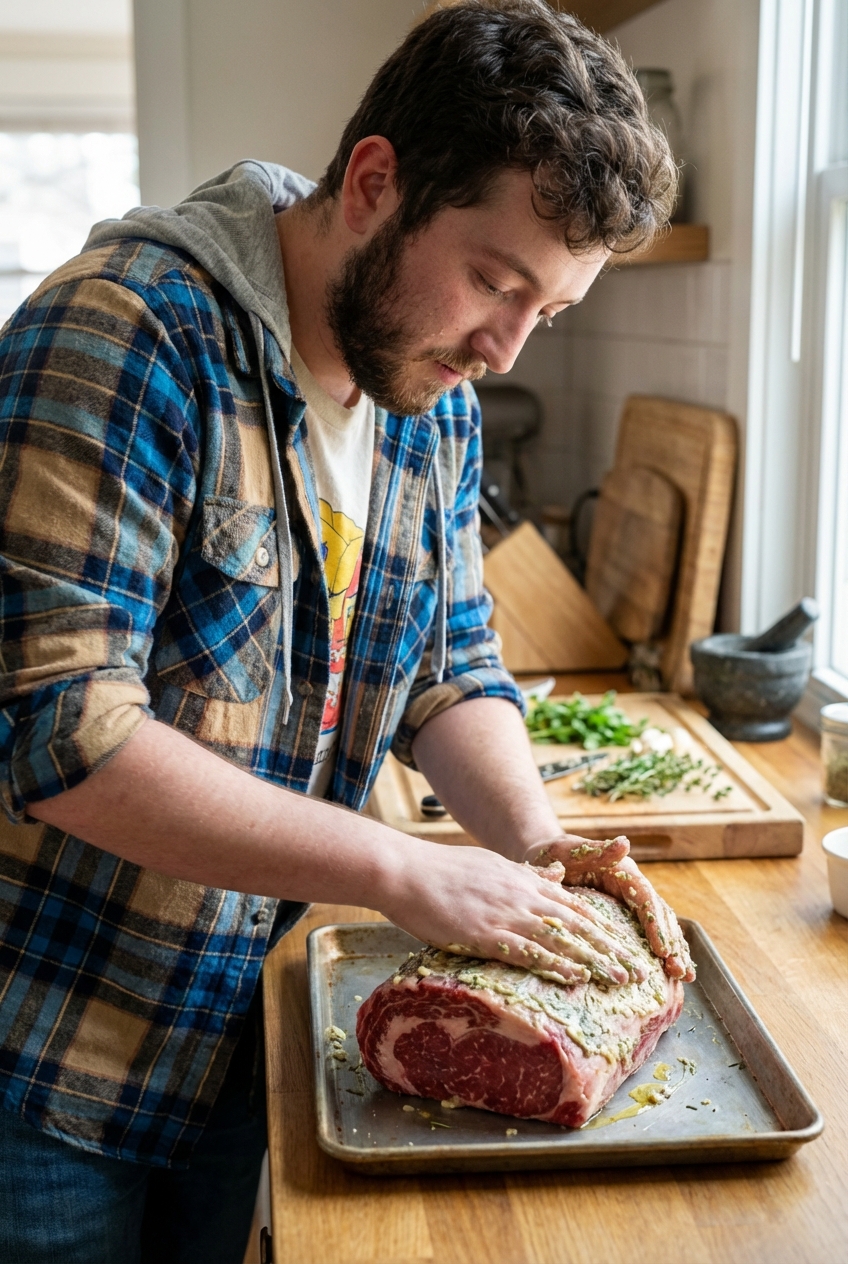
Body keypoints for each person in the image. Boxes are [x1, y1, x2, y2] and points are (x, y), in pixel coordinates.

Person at [0, 1, 692, 1259]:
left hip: (240, 1032)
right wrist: (400, 868)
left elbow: (447, 666)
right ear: (374, 180)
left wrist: (536, 850)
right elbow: (64, 729)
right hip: (51, 1057)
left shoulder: (423, 393)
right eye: (493, 279)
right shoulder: (122, 336)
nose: (504, 345)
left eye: (550, 310)